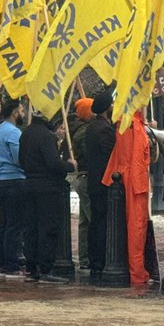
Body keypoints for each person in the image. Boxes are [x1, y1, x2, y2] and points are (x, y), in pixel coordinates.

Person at [18, 108, 75, 282]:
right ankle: (45, 269)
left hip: (29, 185)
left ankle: (31, 267)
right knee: (48, 228)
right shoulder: (46, 136)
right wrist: (69, 166)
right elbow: (53, 163)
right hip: (47, 188)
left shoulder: (25, 134)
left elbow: (21, 160)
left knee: (31, 228)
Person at [104, 109, 154, 285]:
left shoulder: (125, 123)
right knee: (136, 229)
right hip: (134, 180)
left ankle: (136, 270)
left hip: (126, 176)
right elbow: (138, 157)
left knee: (131, 228)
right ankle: (137, 272)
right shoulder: (134, 125)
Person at [82, 91, 117, 282]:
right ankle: (100, 260)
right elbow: (110, 154)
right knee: (102, 223)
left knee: (95, 222)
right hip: (103, 183)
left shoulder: (92, 127)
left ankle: (95, 260)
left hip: (94, 181)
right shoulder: (104, 130)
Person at [0, 98, 27, 278]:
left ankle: (2, 262)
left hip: (1, 181)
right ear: (14, 112)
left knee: (4, 223)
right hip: (15, 179)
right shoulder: (14, 133)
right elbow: (18, 158)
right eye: (21, 110)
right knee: (14, 224)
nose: (23, 113)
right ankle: (12, 264)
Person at [69, 97, 94, 269]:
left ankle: (85, 258)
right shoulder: (84, 132)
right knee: (91, 218)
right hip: (87, 176)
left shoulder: (78, 128)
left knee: (85, 222)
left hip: (82, 177)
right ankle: (89, 257)